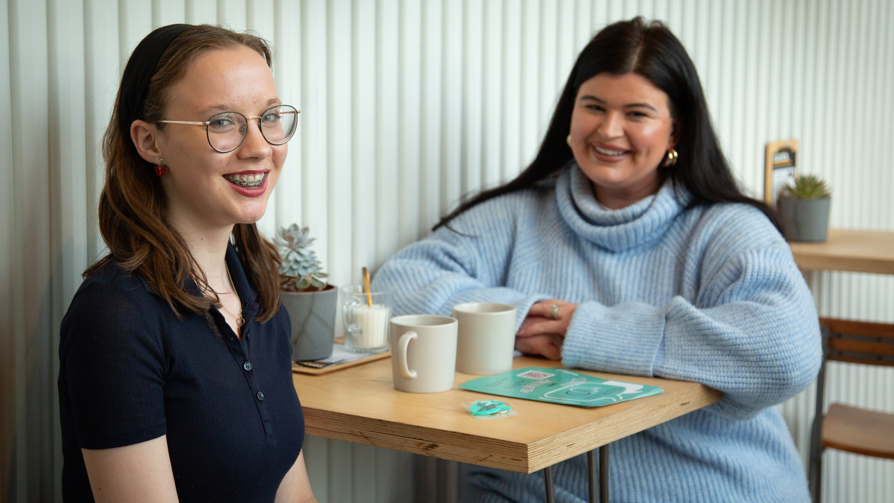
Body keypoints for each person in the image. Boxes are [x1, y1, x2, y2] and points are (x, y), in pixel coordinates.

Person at [371, 17, 821, 503]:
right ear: (571, 113)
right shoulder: (517, 214)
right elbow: (396, 285)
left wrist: (585, 331)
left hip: (711, 486)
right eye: (594, 106)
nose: (609, 130)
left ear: (676, 130)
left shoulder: (727, 227)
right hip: (534, 488)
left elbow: (786, 353)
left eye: (637, 113)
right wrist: (527, 315)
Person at [58, 24, 317, 502]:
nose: (259, 146)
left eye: (270, 116)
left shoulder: (260, 298)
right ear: (150, 142)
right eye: (222, 121)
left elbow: (292, 491)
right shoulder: (116, 318)